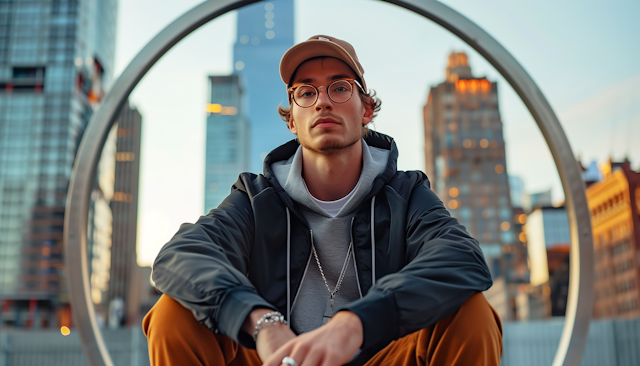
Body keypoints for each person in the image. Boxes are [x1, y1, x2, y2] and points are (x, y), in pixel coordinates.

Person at [144, 35, 502, 366]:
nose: (323, 101)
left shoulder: (406, 195)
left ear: (366, 110)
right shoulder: (255, 200)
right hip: (278, 360)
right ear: (292, 121)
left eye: (340, 88)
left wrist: (356, 323)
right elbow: (179, 257)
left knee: (469, 311)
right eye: (306, 93)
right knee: (173, 314)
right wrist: (262, 323)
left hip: (380, 358)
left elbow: (463, 259)